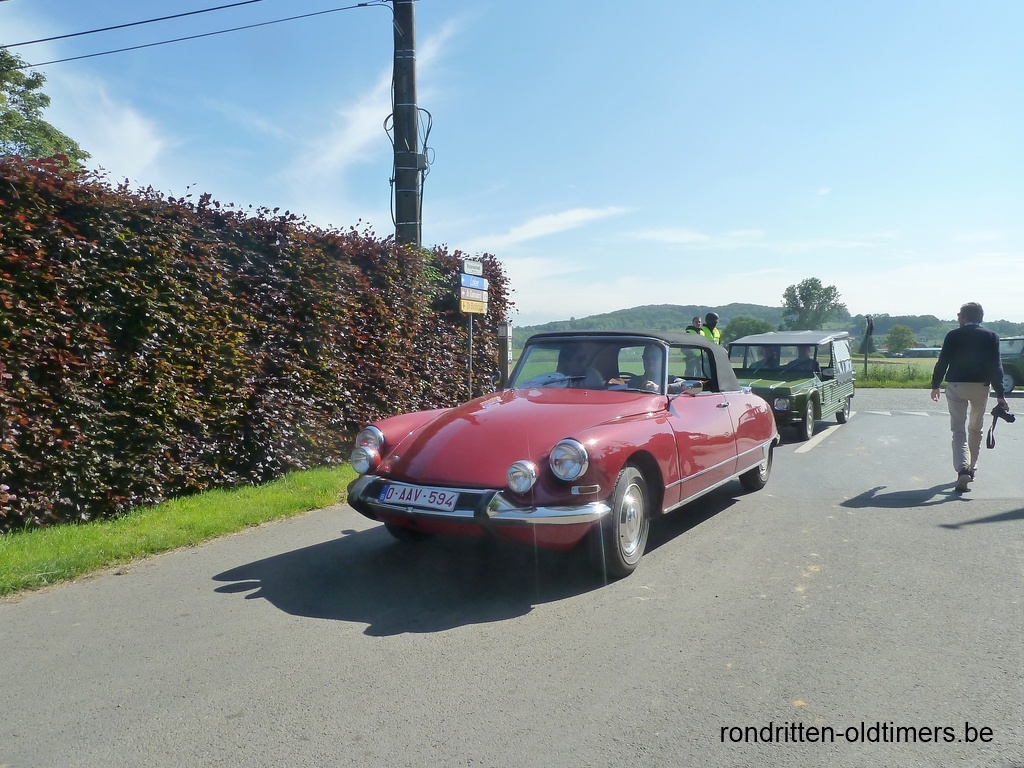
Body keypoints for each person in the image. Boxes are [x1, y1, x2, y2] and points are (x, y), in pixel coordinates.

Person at [930, 302, 1009, 492]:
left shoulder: (953, 335)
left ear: (964, 317)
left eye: (959, 315)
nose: (958, 317)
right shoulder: (991, 336)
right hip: (980, 386)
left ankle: (962, 469)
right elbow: (996, 366)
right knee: (975, 428)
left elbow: (943, 362)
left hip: (956, 385)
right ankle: (972, 468)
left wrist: (935, 385)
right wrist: (1000, 394)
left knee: (958, 429)